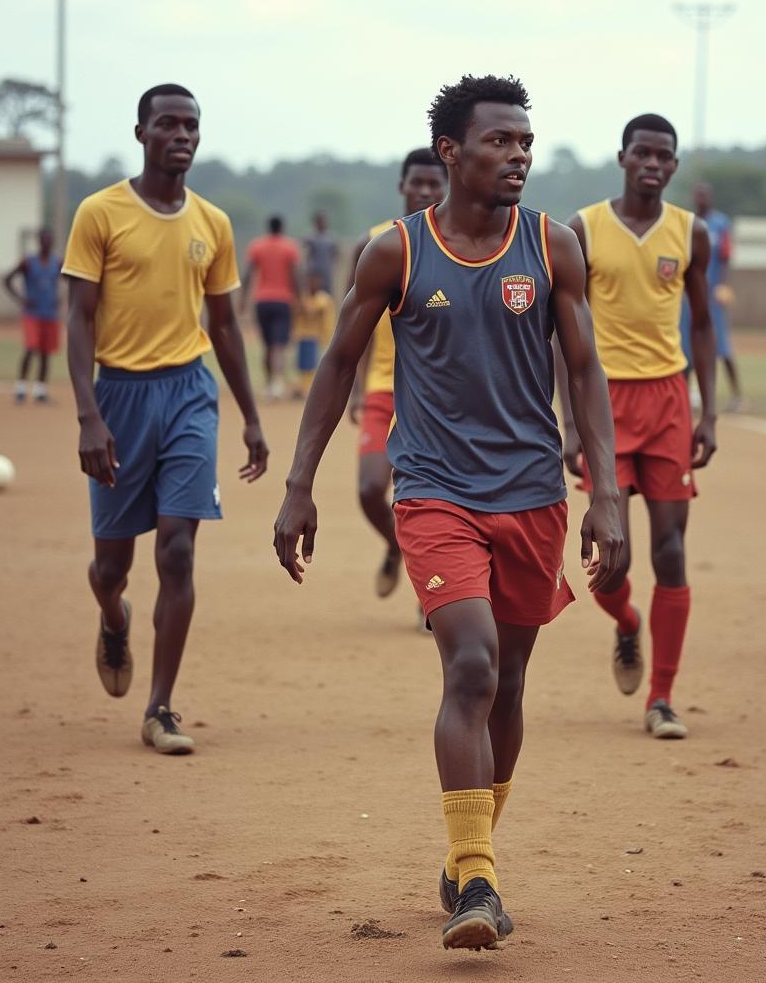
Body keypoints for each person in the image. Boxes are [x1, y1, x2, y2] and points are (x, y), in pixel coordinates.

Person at [273, 74, 622, 951]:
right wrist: (298, 483)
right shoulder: (394, 251)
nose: (518, 157)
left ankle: (470, 851)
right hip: (434, 492)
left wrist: (607, 497)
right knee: (470, 664)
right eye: (500, 142)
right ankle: (478, 881)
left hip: (536, 493)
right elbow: (339, 364)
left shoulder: (554, 247)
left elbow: (584, 373)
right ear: (451, 152)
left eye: (525, 143)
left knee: (507, 681)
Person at [62, 83, 269, 755]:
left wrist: (251, 417)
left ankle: (160, 709)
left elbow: (227, 327)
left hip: (188, 392)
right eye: (168, 124)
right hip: (119, 398)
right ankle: (112, 618)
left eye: (191, 126)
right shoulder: (101, 213)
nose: (182, 135)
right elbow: (79, 316)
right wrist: (89, 416)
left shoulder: (213, 224)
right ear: (141, 133)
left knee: (178, 549)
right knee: (110, 568)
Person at [560, 113, 717, 741]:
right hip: (604, 405)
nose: (653, 164)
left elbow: (702, 324)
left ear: (674, 166)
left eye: (665, 156)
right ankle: (627, 623)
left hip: (671, 402)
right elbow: (562, 331)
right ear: (623, 157)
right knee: (612, 557)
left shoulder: (690, 232)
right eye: (642, 153)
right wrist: (569, 421)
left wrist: (710, 409)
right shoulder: (583, 228)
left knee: (672, 551)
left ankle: (662, 699)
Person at [346, 147, 447, 600]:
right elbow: (354, 329)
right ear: (401, 186)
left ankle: (436, 595)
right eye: (417, 183)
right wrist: (353, 387)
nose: (425, 191)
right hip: (382, 388)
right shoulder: (374, 244)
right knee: (371, 490)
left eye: (434, 183)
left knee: (432, 503)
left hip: (434, 399)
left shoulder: (456, 245)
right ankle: (395, 546)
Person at [679, 183, 741, 409]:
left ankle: (736, 396)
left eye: (705, 195)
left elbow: (725, 257)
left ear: (711, 198)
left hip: (712, 295)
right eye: (697, 195)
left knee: (721, 345)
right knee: (685, 347)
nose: (701, 199)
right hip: (687, 298)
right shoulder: (685, 223)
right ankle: (683, 398)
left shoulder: (721, 224)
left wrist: (723, 285)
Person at [241, 215, 302, 400]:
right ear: (282, 228)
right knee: (279, 345)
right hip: (283, 300)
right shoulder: (290, 247)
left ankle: (269, 383)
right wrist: (300, 299)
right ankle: (277, 384)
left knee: (266, 345)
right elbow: (296, 275)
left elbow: (248, 275)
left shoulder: (257, 246)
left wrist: (242, 300)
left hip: (262, 300)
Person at [4, 227, 62, 403]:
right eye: (44, 239)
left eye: (50, 239)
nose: (47, 242)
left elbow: (73, 280)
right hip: (32, 314)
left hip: (50, 314)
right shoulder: (28, 262)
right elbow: (7, 279)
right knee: (31, 348)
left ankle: (40, 391)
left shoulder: (57, 262)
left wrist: (61, 297)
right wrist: (21, 299)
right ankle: (21, 388)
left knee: (46, 352)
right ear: (39, 241)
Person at [292, 268, 335, 398]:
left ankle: (310, 389)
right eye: (310, 281)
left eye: (315, 281)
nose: (312, 284)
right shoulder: (302, 298)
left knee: (313, 364)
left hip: (316, 337)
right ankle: (303, 386)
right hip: (302, 335)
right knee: (303, 364)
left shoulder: (324, 299)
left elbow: (316, 312)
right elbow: (297, 312)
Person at [304, 209, 339, 296]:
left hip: (327, 275)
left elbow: (336, 255)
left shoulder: (331, 238)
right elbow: (307, 256)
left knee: (327, 298)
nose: (323, 223)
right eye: (321, 221)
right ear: (316, 222)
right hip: (315, 275)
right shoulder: (310, 238)